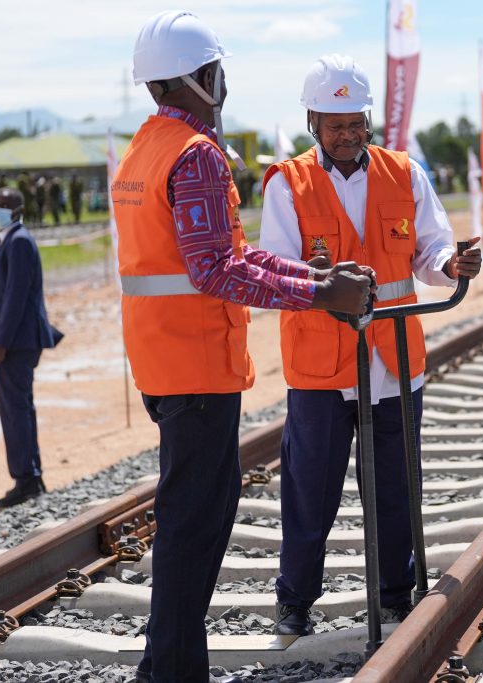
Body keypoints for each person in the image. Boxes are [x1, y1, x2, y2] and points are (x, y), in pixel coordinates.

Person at [114, 13, 373, 683]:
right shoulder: (195, 154)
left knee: (190, 516)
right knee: (192, 525)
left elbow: (227, 253)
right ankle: (167, 671)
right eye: (219, 73)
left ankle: (174, 665)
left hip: (161, 358)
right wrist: (322, 296)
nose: (223, 84)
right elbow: (217, 270)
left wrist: (315, 278)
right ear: (204, 77)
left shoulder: (143, 148)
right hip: (198, 363)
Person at [259, 53, 482, 636]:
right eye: (336, 125)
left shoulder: (404, 173)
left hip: (394, 361)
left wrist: (451, 264)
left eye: (356, 122)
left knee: (395, 489)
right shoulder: (288, 184)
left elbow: (428, 253)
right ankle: (294, 601)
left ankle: (394, 594)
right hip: (322, 367)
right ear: (313, 122)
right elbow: (277, 271)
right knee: (311, 492)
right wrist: (312, 278)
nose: (348, 134)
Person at [0, 188, 63, 507]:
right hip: (16, 341)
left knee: (15, 410)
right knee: (19, 408)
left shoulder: (17, 242)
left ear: (19, 210)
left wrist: (0, 343)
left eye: (5, 205)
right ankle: (31, 476)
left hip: (15, 343)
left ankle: (26, 479)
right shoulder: (10, 240)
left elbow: (15, 298)